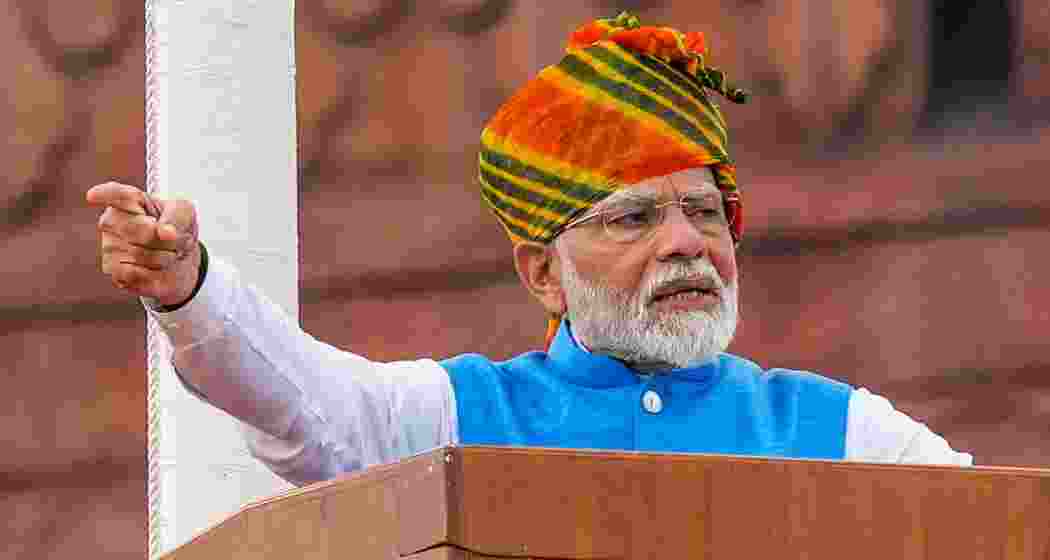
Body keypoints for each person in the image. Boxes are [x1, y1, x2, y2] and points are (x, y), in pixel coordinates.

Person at [87, 13, 971, 486]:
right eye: (633, 220)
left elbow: (996, 528)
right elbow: (304, 406)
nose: (685, 245)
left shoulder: (841, 433)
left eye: (704, 212)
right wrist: (190, 289)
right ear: (543, 272)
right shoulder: (458, 420)